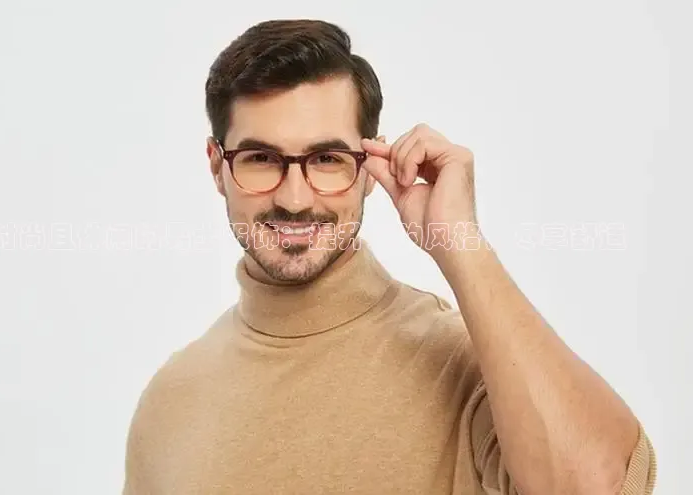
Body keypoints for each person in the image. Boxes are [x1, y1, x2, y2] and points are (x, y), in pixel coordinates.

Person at [122, 19, 656, 494]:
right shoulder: (171, 399)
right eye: (261, 158)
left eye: (327, 159)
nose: (295, 198)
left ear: (371, 165)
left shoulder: (464, 364)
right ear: (216, 166)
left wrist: (460, 243)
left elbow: (603, 488)